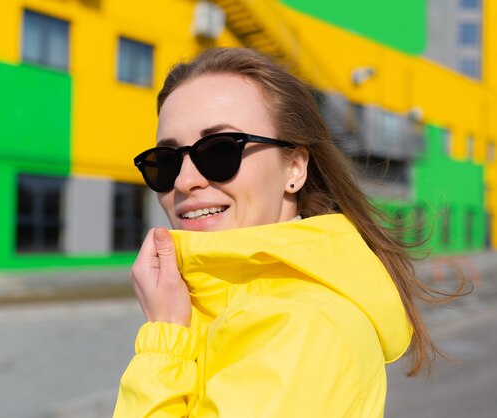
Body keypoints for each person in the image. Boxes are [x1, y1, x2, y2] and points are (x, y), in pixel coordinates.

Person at [113, 47, 448, 417]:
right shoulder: (230, 300)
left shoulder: (302, 326)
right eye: (167, 160)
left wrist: (165, 337)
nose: (185, 180)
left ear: (294, 169)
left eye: (221, 150)